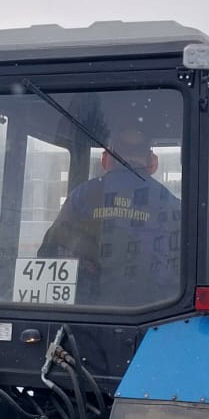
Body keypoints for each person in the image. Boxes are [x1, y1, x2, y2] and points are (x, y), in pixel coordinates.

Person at [37, 124, 182, 308]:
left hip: (88, 315)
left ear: (106, 160)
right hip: (158, 317)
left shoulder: (83, 197)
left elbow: (49, 253)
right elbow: (182, 267)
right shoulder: (170, 203)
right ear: (153, 163)